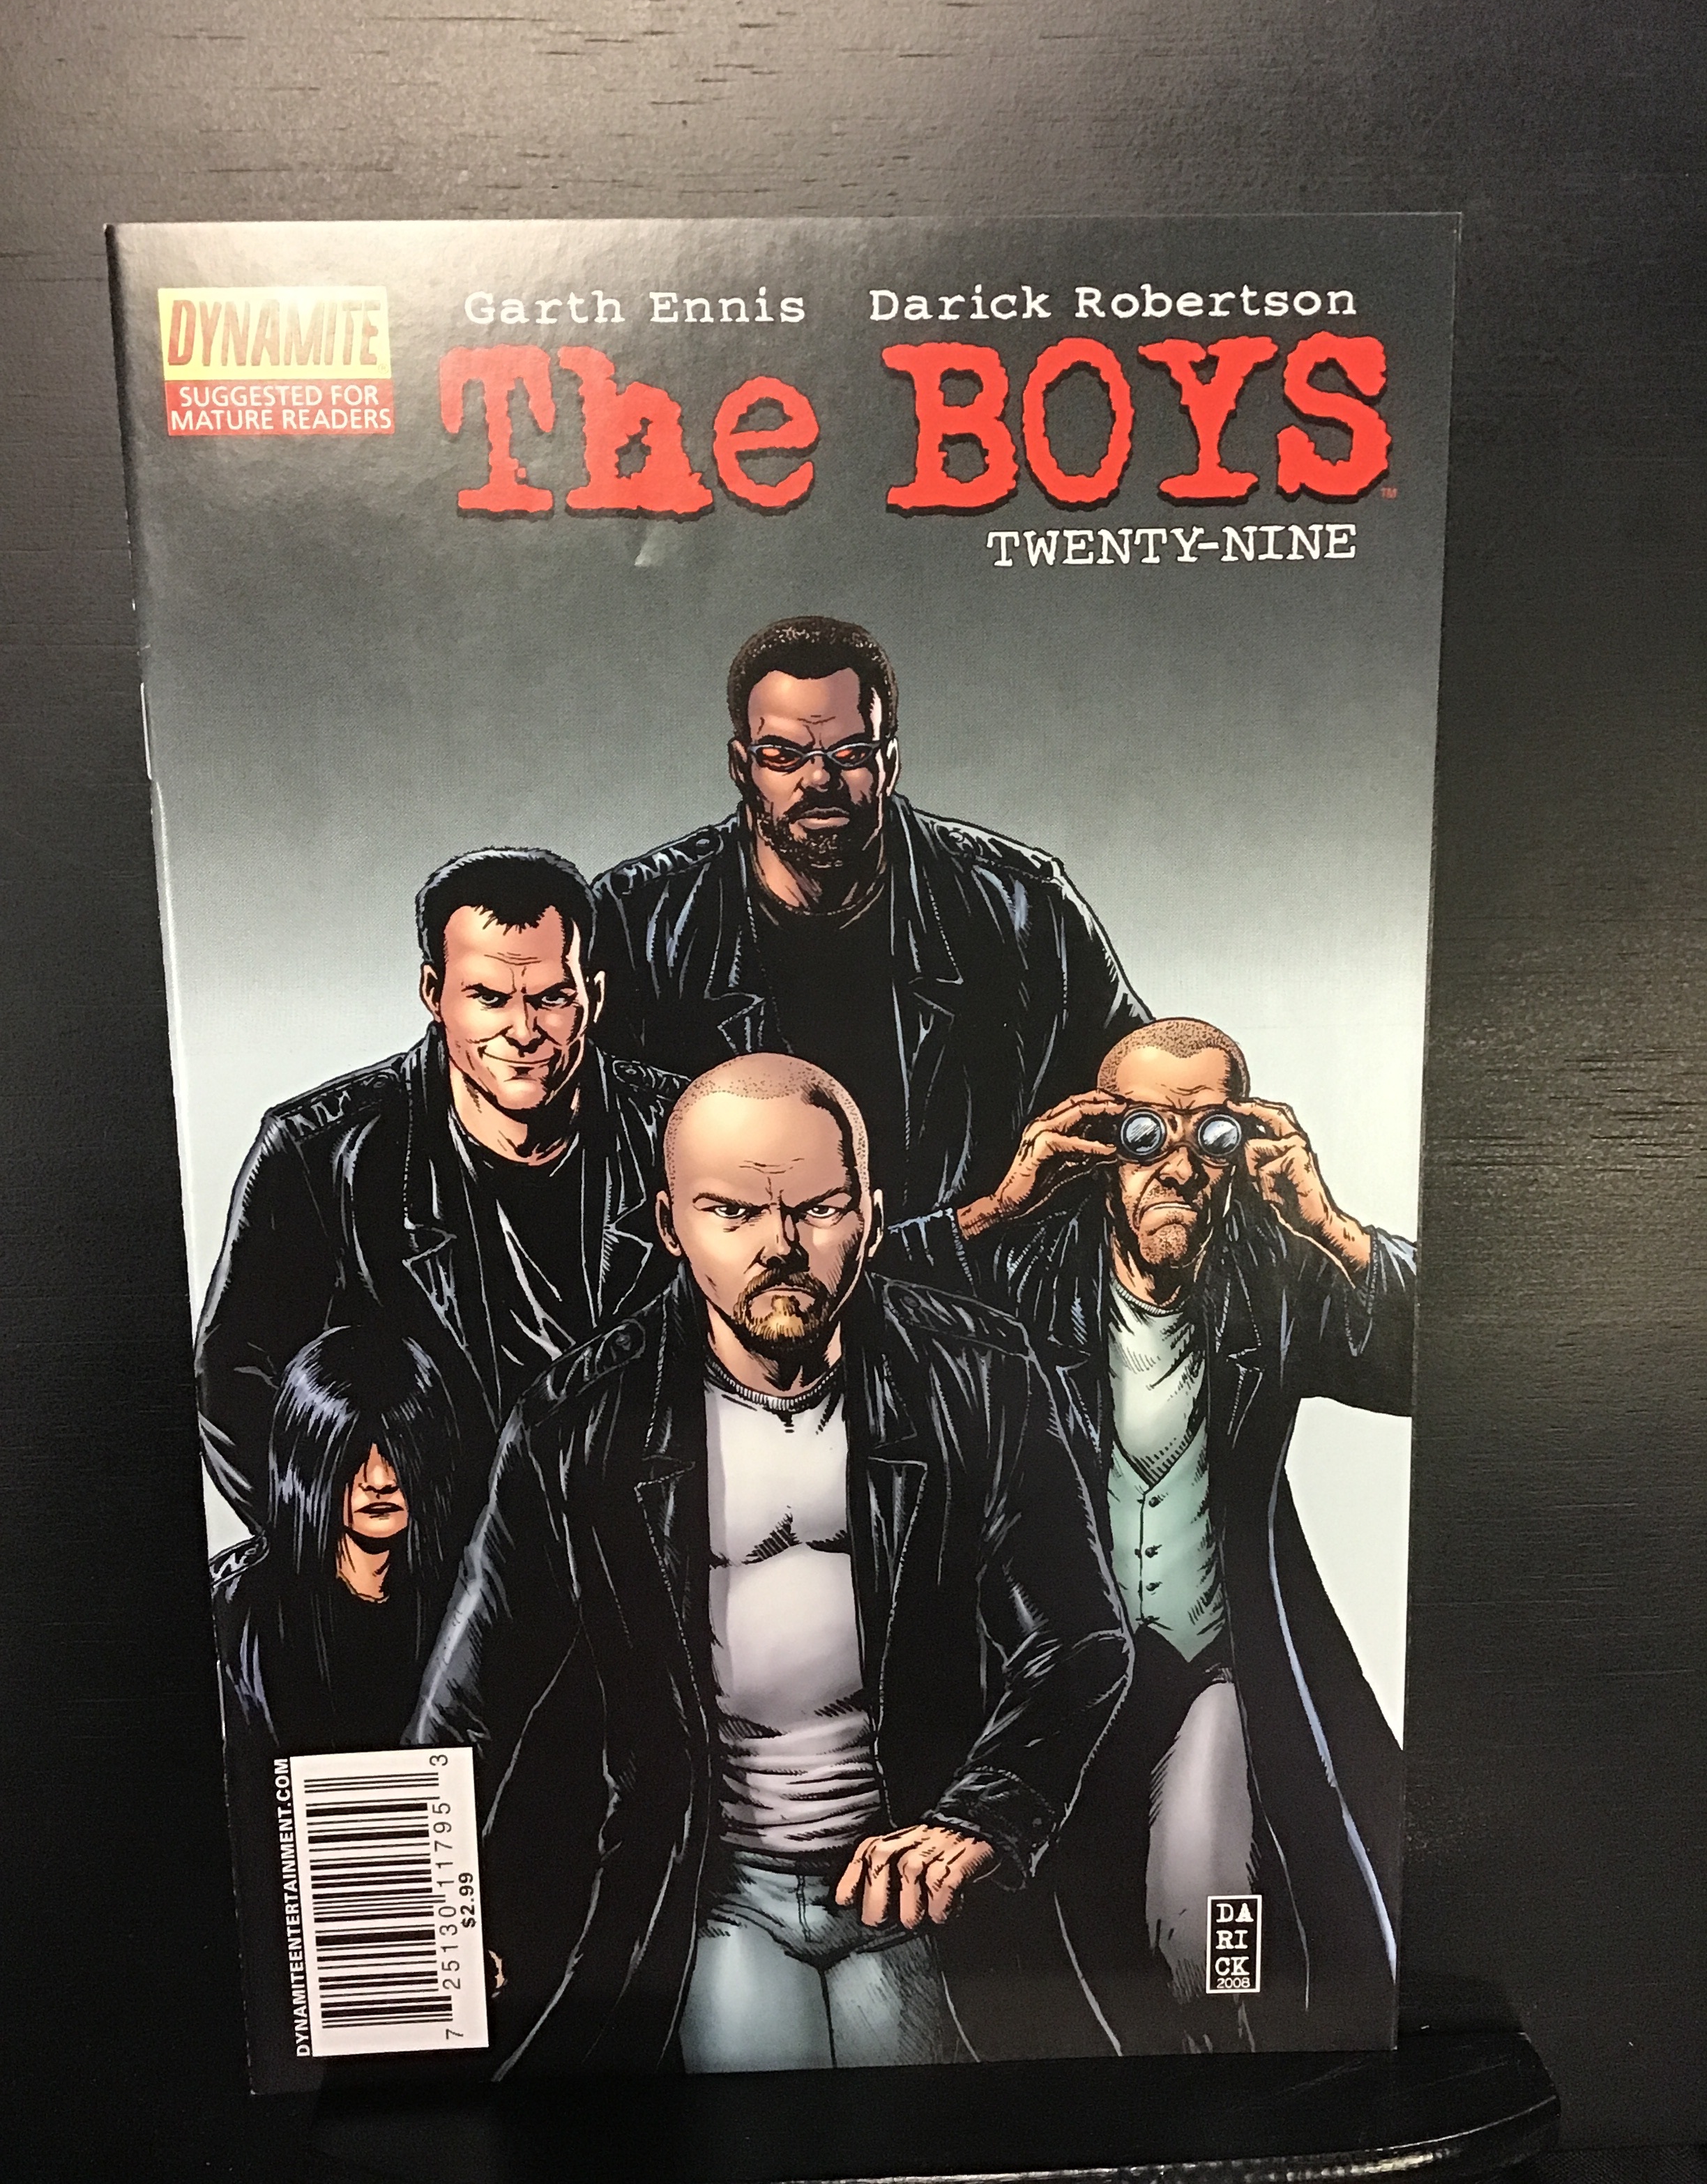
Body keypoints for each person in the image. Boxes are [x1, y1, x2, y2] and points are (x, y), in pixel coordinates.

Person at [407, 1052, 1130, 2076]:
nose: (781, 1246)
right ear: (670, 1226)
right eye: (733, 1213)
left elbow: (1080, 1637)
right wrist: (417, 1926)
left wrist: (979, 1816)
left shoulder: (983, 1377)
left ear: (871, 1216)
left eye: (819, 1208)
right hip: (711, 1894)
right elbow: (471, 1696)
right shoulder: (578, 1422)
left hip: (917, 1883)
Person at [886, 1017, 1416, 2053]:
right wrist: (996, 1207)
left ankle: (1224, 2070)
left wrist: (1335, 1224)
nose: (1176, 1167)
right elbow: (854, 1315)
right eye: (1142, 1134)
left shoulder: (1274, 1277)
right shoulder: (1024, 1275)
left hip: (1210, 1672)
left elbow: (1448, 1360)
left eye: (1208, 1135)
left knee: (1218, 1938)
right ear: (1098, 1144)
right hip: (1057, 1690)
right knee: (1051, 1976)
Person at [196, 847, 685, 1538]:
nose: (523, 1031)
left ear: (593, 995)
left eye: (552, 997)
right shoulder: (320, 1155)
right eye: (488, 997)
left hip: (637, 1564)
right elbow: (233, 1383)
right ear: (434, 992)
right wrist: (346, 1567)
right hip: (428, 1571)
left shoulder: (689, 1134)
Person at [589, 616, 1146, 1219]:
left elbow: (1151, 1092)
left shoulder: (1021, 909)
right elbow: (587, 1162)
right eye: (783, 755)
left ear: (890, 762)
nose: (819, 778)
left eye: (851, 753)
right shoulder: (639, 924)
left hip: (979, 1277)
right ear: (741, 766)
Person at [211, 1326, 462, 1757]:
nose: (379, 1480)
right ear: (308, 1460)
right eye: (354, 1450)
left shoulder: (469, 1601)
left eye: (397, 1448)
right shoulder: (241, 1609)